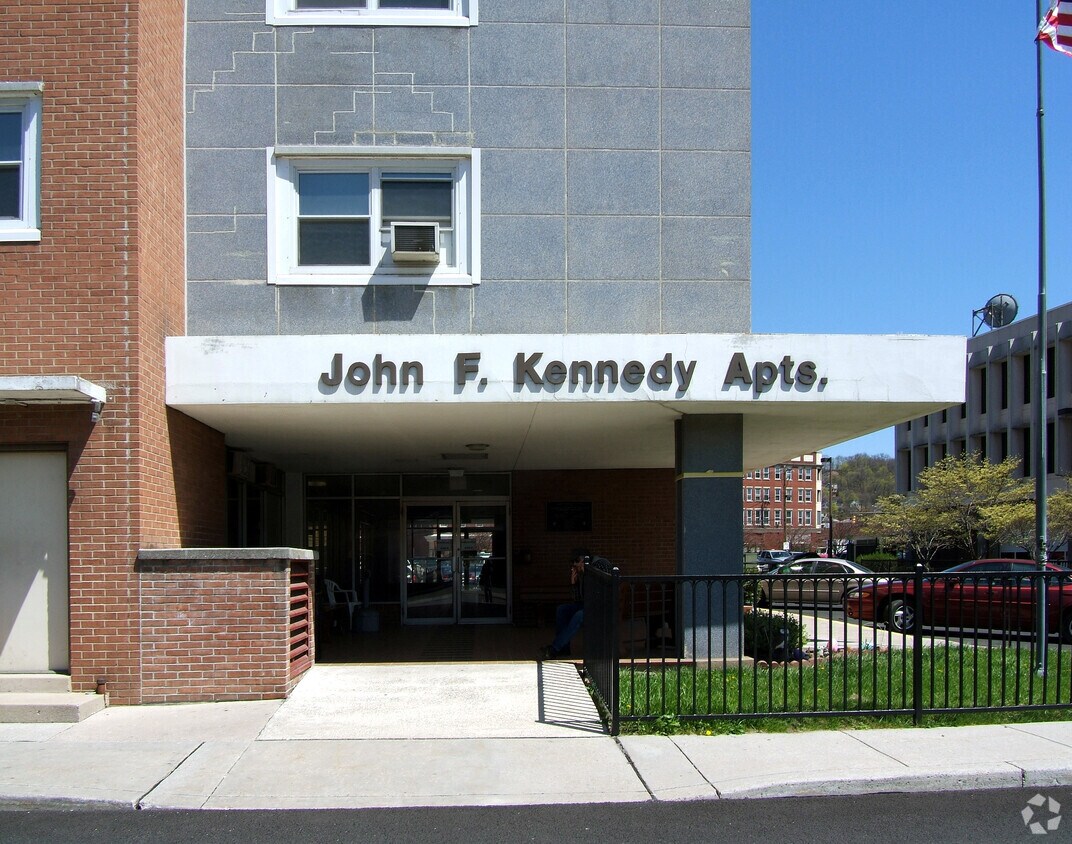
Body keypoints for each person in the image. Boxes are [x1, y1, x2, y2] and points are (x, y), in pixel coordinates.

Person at [538, 548, 589, 660]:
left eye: (577, 562)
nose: (575, 565)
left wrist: (586, 576)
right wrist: (573, 583)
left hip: (596, 607)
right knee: (562, 609)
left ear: (582, 561)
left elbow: (594, 595)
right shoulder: (580, 574)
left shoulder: (594, 570)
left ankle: (555, 648)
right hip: (584, 605)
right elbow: (577, 599)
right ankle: (564, 648)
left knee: (579, 616)